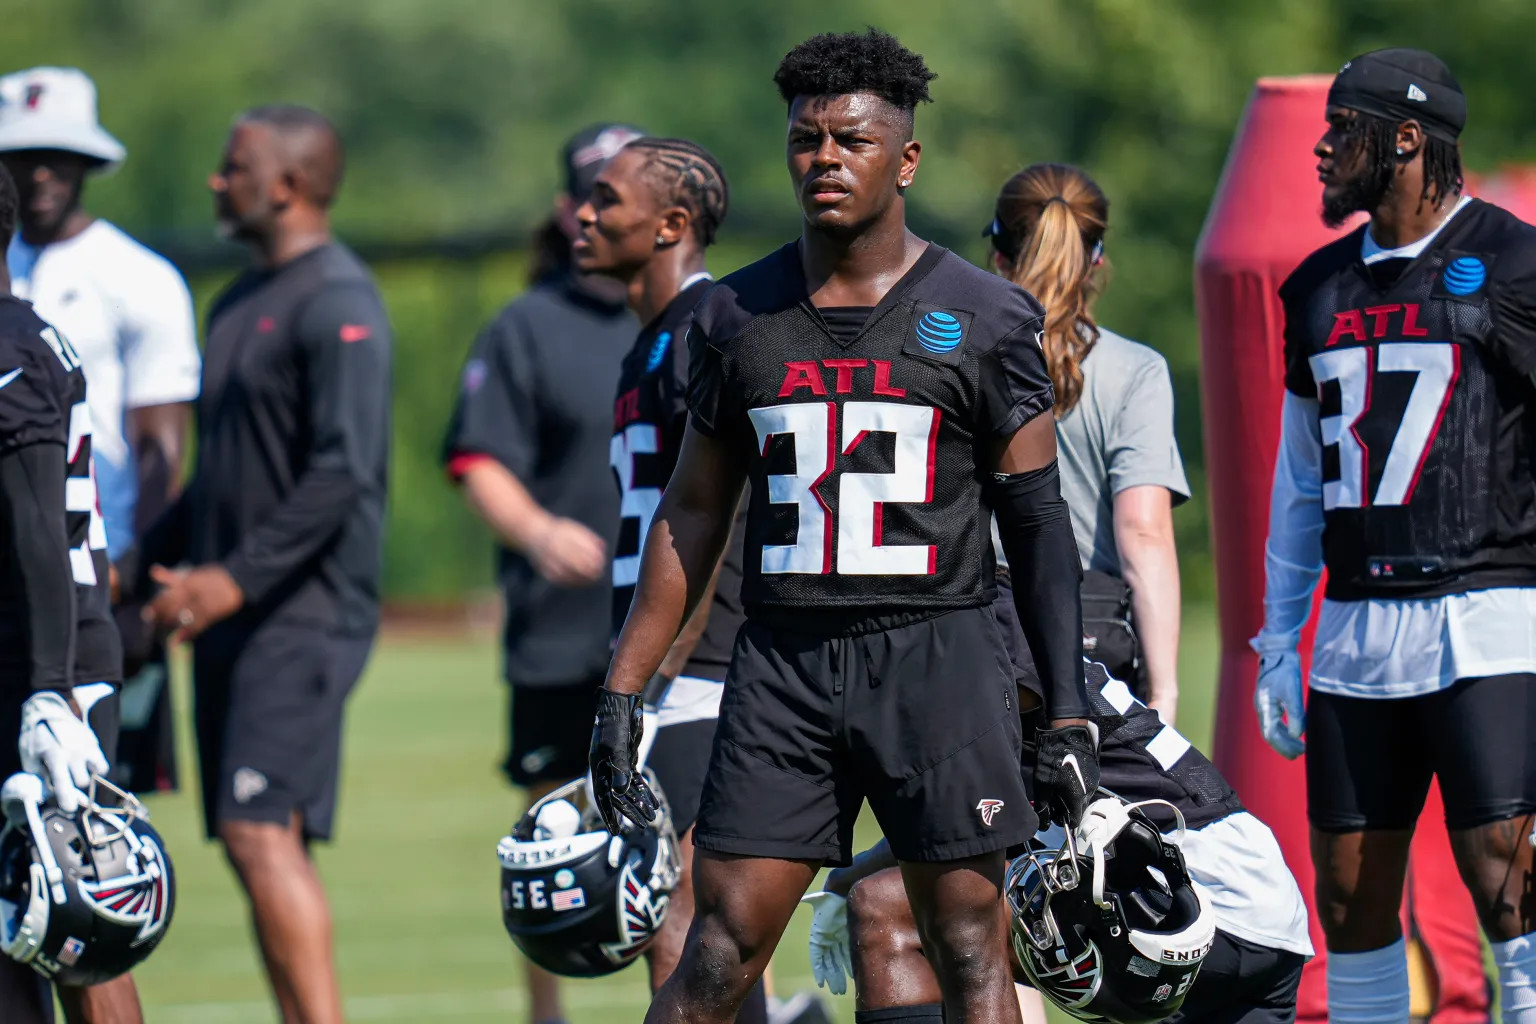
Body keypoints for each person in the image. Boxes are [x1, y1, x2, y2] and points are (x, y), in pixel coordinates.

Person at [590, 29, 1097, 1024]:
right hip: (784, 664)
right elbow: (691, 512)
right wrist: (622, 688)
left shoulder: (984, 315)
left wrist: (1068, 708)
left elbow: (1037, 527)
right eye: (806, 139)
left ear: (905, 158)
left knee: (967, 948)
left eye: (851, 140)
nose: (825, 159)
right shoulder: (735, 316)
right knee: (719, 947)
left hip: (939, 656)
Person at [1252, 47, 1536, 1024]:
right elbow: (1299, 484)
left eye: (1344, 130)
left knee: (1508, 874)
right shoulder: (1319, 288)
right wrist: (1275, 640)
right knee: (1348, 888)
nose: (1324, 149)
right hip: (1357, 624)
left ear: (1407, 139)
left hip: (1491, 612)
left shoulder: (1512, 259)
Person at [129, 105, 391, 1024]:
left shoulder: (340, 301)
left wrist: (230, 579)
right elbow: (221, 476)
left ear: (285, 183)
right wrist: (143, 563)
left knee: (255, 829)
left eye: (232, 164)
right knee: (256, 837)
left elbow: (342, 473)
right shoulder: (238, 300)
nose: (215, 179)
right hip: (234, 613)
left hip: (305, 612)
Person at [803, 582, 1312, 1024]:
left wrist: (847, 882)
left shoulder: (983, 621)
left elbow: (963, 806)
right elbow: (967, 802)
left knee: (889, 909)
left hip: (1185, 900)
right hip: (1262, 906)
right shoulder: (995, 615)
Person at [441, 121, 641, 1024]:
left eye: (626, 188)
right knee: (546, 852)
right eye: (594, 191)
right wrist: (537, 530)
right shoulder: (527, 324)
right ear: (568, 210)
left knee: (673, 849)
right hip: (560, 637)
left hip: (674, 643)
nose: (606, 208)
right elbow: (476, 458)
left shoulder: (699, 317)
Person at [571, 135, 768, 1023]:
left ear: (671, 225)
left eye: (606, 200)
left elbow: (716, 518)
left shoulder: (704, 326)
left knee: (688, 923)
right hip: (665, 674)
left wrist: (653, 680)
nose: (582, 214)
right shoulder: (645, 342)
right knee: (699, 932)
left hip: (704, 672)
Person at [0, 66, 200, 795]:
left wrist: (136, 574)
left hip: (93, 568)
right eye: (22, 154)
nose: (42, 170)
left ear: (88, 162)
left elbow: (161, 447)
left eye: (59, 152)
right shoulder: (4, 261)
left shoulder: (139, 276)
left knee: (98, 805)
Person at [0, 163, 140, 1024]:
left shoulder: (9, 347)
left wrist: (47, 694)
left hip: (40, 667)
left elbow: (36, 533)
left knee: (68, 924)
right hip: (38, 657)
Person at [983, 163, 1188, 722]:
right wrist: (1164, 693)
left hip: (972, 629)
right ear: (1096, 258)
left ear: (999, 255)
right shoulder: (1136, 372)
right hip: (1088, 636)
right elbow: (1143, 532)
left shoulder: (961, 358)